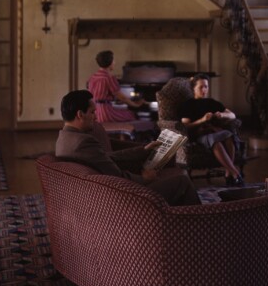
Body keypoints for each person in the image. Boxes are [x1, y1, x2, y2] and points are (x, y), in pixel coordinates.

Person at [56, 90, 201, 206]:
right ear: (80, 114)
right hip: (122, 199)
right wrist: (145, 178)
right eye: (92, 112)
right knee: (182, 182)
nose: (95, 117)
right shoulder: (83, 142)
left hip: (101, 195)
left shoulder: (64, 137)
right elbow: (118, 177)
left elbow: (106, 157)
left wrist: (143, 150)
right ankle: (201, 228)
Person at [179, 74, 244, 186]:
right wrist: (202, 120)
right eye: (201, 87)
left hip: (214, 131)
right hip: (199, 134)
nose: (204, 90)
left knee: (228, 135)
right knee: (216, 140)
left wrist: (222, 115)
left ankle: (229, 172)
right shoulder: (188, 105)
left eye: (206, 86)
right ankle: (236, 172)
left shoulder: (211, 103)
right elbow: (185, 126)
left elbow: (232, 115)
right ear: (193, 88)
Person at [87, 50, 144, 123]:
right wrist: (136, 105)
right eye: (113, 60)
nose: (114, 63)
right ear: (110, 62)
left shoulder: (92, 77)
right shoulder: (109, 78)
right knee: (132, 114)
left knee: (123, 111)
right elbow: (122, 98)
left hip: (94, 113)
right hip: (105, 113)